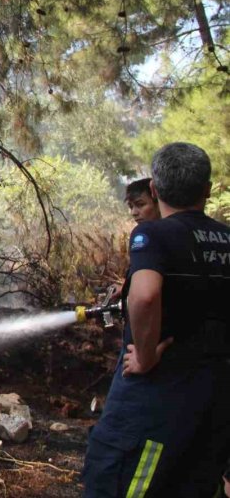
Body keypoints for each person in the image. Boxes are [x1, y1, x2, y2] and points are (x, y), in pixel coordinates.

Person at [82, 142, 230, 497]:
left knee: (121, 481)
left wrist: (146, 356)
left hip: (159, 395)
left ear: (154, 189)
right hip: (217, 396)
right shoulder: (227, 238)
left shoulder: (153, 234)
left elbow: (146, 295)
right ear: (207, 190)